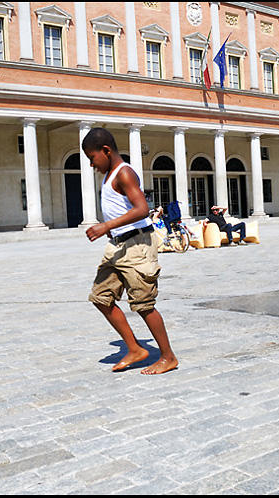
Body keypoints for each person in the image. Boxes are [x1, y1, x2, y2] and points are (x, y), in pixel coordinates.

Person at [82, 127, 178, 375]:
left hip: (137, 246)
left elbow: (142, 209)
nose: (92, 165)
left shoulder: (123, 173)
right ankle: (134, 348)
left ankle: (168, 357)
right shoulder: (108, 175)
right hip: (117, 246)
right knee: (100, 297)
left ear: (105, 151)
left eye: (92, 158)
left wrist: (105, 226)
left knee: (144, 304)